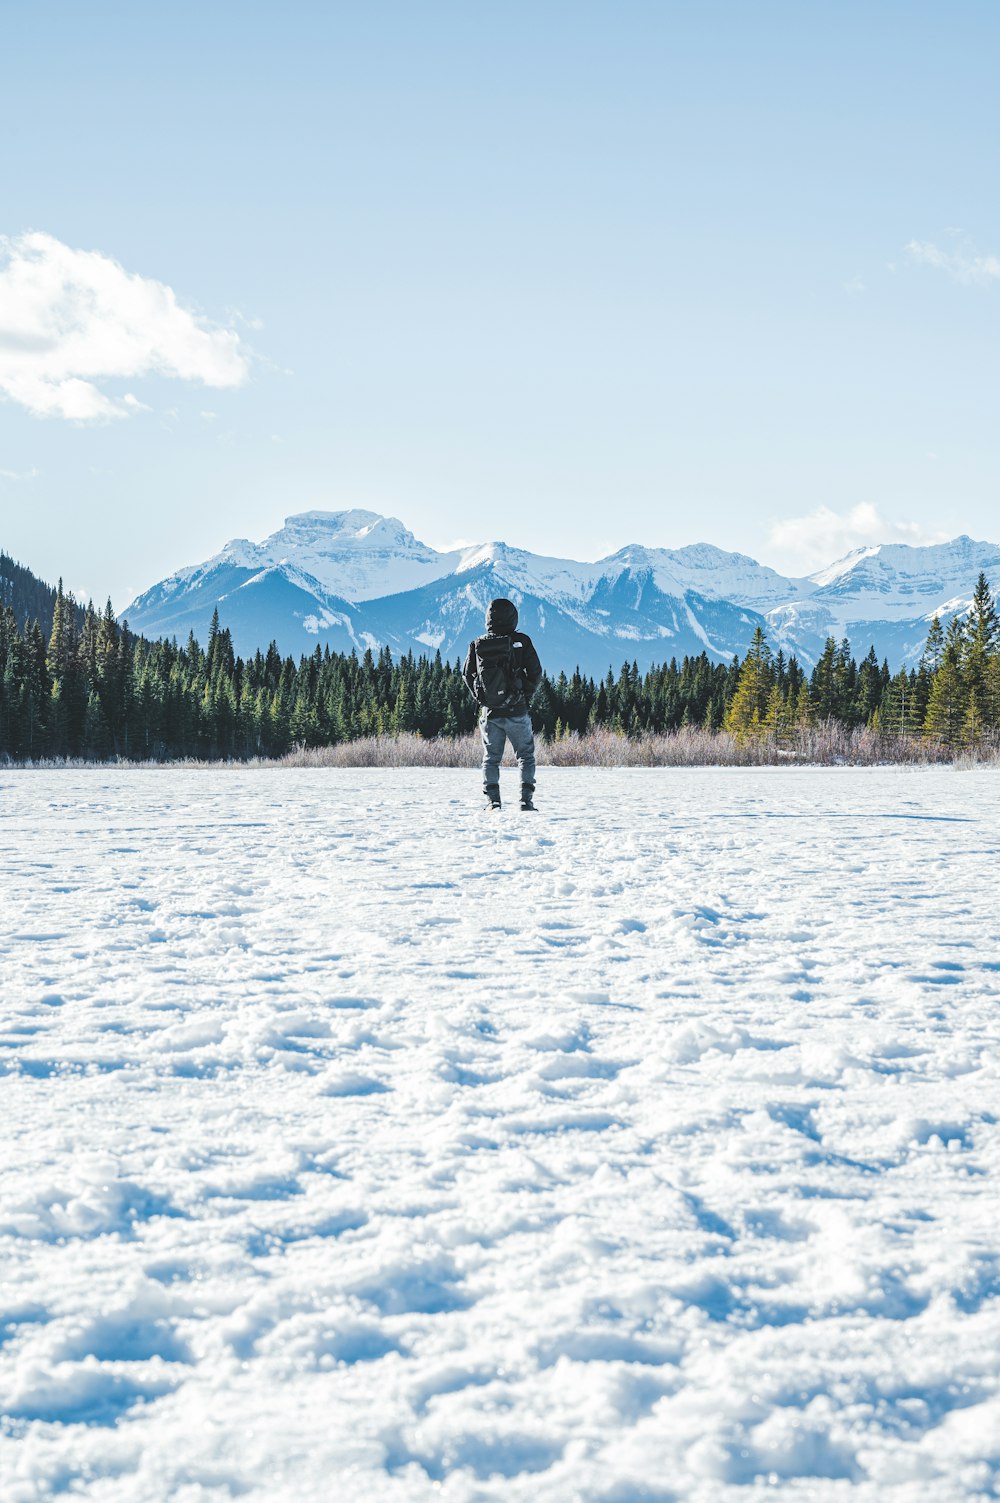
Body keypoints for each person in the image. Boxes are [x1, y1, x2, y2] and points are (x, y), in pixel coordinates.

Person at [462, 597, 543, 811]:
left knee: (491, 758)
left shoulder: (478, 643)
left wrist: (482, 698)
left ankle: (493, 802)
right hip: (518, 710)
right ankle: (526, 801)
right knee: (525, 756)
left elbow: (467, 674)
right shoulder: (522, 641)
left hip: (491, 713)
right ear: (513, 617)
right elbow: (536, 673)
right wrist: (524, 694)